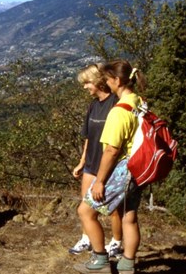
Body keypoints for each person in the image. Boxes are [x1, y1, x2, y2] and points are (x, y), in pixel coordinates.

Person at [74, 60, 146, 274]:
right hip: (138, 167)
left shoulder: (118, 111)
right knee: (129, 216)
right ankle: (126, 265)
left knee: (85, 211)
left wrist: (100, 182)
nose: (104, 82)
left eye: (107, 79)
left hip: (122, 169)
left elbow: (112, 150)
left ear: (116, 81)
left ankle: (100, 261)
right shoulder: (138, 101)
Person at [70, 64, 123, 258]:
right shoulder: (93, 105)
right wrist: (82, 161)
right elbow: (88, 137)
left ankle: (116, 242)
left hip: (109, 166)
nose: (85, 87)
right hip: (91, 163)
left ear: (99, 81)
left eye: (87, 83)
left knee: (113, 208)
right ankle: (87, 238)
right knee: (86, 204)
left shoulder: (115, 103)